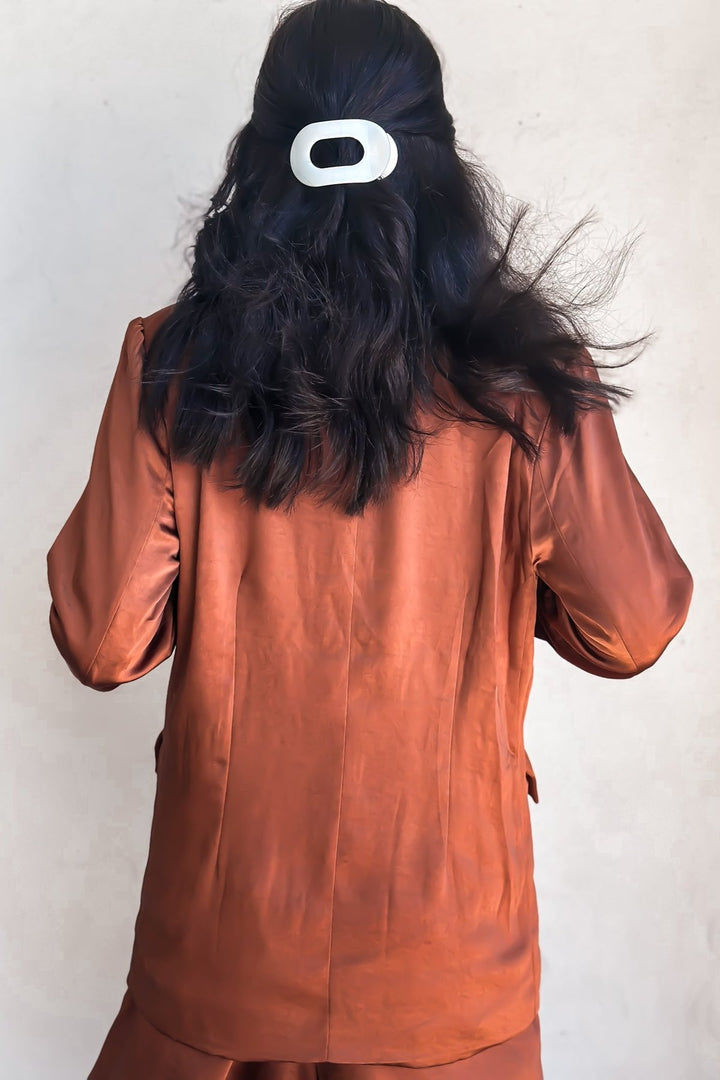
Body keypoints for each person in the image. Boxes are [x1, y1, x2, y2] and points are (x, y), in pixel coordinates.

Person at [45, 1, 694, 1078]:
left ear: (263, 160)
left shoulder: (173, 369)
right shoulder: (527, 386)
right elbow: (632, 624)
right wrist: (496, 577)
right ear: (437, 164)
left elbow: (102, 639)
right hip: (451, 975)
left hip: (220, 966)